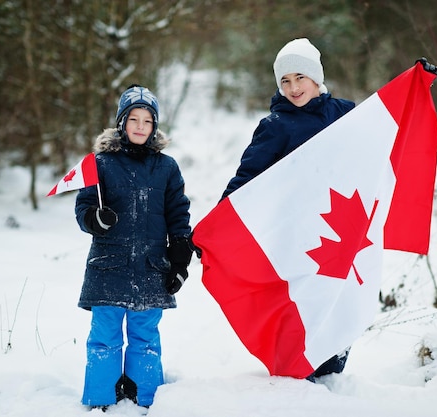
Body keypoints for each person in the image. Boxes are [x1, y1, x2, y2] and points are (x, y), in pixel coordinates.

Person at [221, 38, 355, 379]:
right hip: (298, 235)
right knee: (304, 304)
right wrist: (219, 223)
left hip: (341, 229)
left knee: (338, 302)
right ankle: (301, 375)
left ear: (316, 77)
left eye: (300, 77)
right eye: (285, 81)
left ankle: (333, 374)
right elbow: (247, 175)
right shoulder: (276, 126)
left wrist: (419, 83)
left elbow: (389, 125)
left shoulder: (346, 113)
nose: (294, 87)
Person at [75, 84, 193, 410]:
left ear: (155, 126)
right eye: (134, 119)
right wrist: (94, 219)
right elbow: (83, 209)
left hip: (151, 267)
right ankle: (101, 397)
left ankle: (146, 398)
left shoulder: (167, 167)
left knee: (145, 337)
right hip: (108, 266)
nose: (140, 127)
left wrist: (180, 253)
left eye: (147, 121)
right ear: (121, 123)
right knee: (104, 336)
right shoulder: (100, 163)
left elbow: (178, 213)